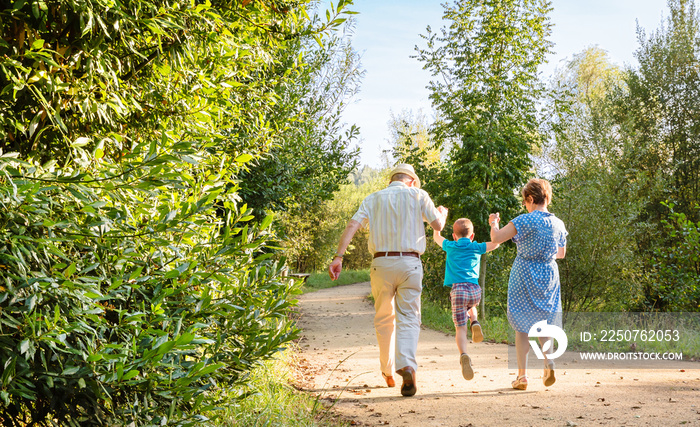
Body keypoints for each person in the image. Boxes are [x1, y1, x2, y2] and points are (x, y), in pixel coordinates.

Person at [328, 163, 447, 397]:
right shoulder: (419, 194)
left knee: (384, 319)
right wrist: (442, 214)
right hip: (410, 263)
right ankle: (408, 365)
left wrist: (338, 257)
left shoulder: (374, 198)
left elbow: (353, 224)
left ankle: (388, 371)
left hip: (380, 263)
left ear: (391, 180)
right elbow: (438, 225)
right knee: (409, 317)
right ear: (411, 181)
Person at [488, 178, 567, 391]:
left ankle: (522, 377)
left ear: (530, 199)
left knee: (521, 325)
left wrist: (494, 222)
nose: (525, 205)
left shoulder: (524, 220)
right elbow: (561, 254)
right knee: (545, 321)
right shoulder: (558, 224)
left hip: (524, 273)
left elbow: (496, 238)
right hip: (549, 274)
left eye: (525, 201)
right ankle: (548, 360)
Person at [432, 217, 500, 380]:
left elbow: (436, 236)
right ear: (472, 236)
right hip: (475, 290)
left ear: (454, 236)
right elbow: (496, 243)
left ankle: (464, 354)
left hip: (458, 290)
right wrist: (494, 223)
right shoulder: (476, 246)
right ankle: (475, 322)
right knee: (471, 306)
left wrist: (440, 220)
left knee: (460, 328)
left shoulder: (450, 245)